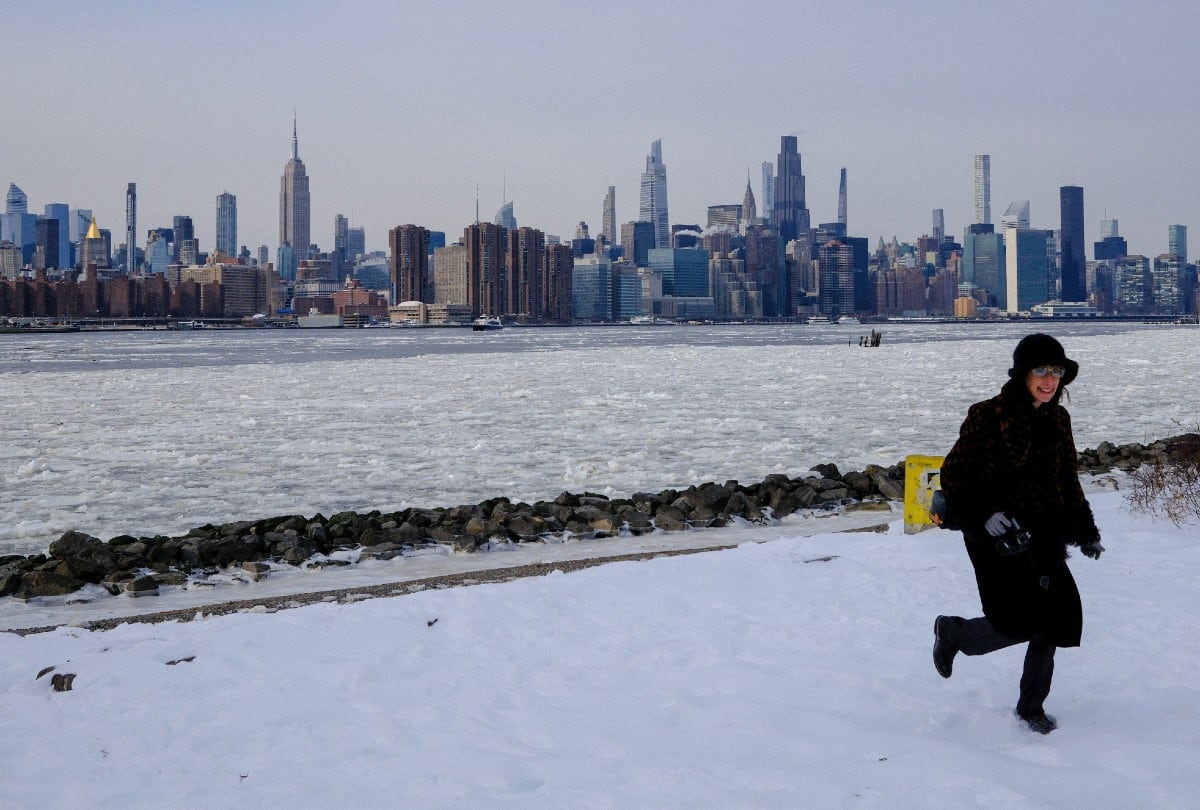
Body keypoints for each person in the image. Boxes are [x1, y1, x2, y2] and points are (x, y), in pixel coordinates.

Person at [933, 333, 1104, 734]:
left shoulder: (1058, 420)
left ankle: (1031, 708)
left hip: (1043, 533)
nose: (1049, 380)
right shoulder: (987, 415)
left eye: (1056, 371)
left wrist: (1085, 529)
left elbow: (1067, 479)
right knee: (1015, 622)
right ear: (1023, 374)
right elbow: (953, 475)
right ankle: (954, 633)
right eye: (1041, 370)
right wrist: (983, 514)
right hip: (996, 537)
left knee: (1055, 618)